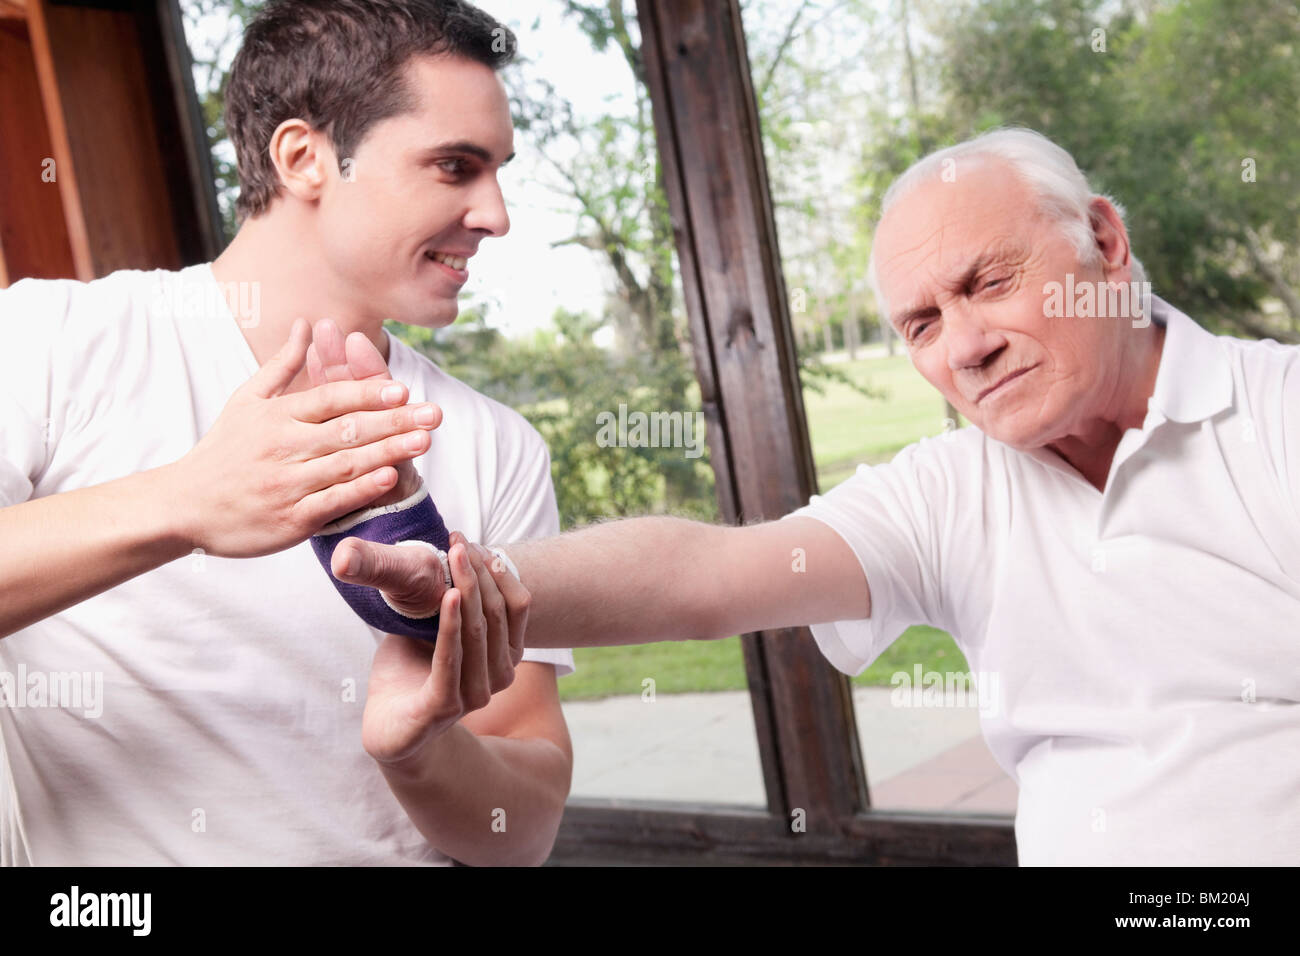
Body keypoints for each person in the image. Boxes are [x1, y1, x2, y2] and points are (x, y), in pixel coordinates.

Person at [327, 128, 1300, 866]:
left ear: (1101, 240)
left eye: (990, 283)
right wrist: (464, 573)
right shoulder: (951, 488)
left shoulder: (1278, 416)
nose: (963, 346)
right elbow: (706, 576)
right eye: (921, 323)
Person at [0, 0, 574, 866]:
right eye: (455, 166)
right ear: (305, 157)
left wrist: (419, 752)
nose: (496, 214)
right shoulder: (52, 342)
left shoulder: (498, 447)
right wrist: (185, 504)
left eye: (497, 171)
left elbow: (523, 835)